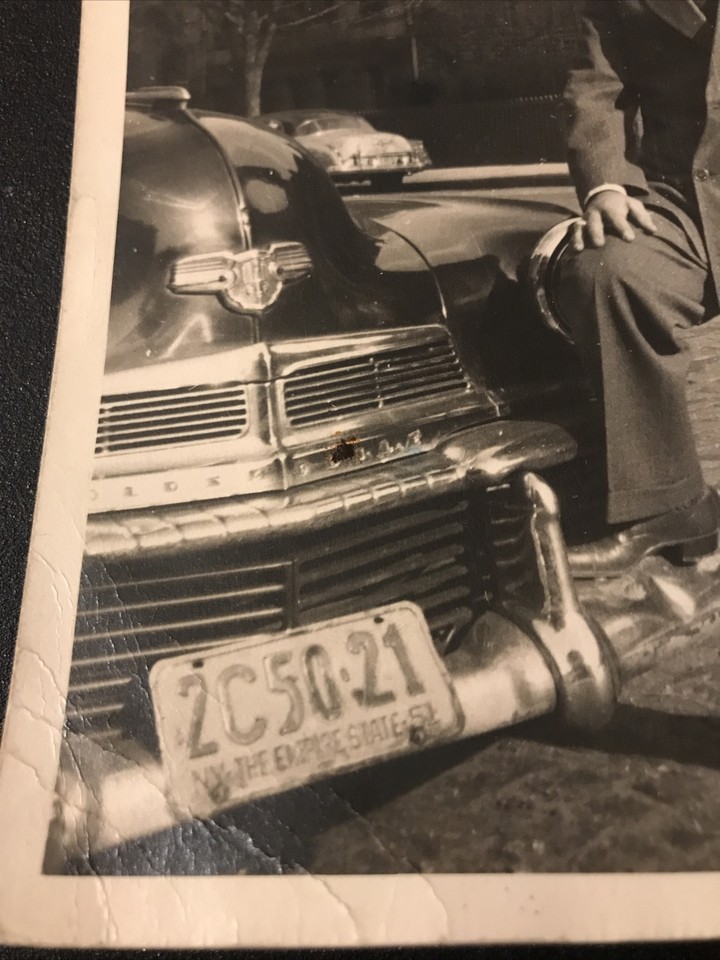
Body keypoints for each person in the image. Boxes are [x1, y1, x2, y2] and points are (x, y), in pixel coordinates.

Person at [556, 0, 720, 577]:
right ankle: (669, 504)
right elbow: (597, 86)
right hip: (684, 197)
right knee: (609, 270)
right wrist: (606, 185)